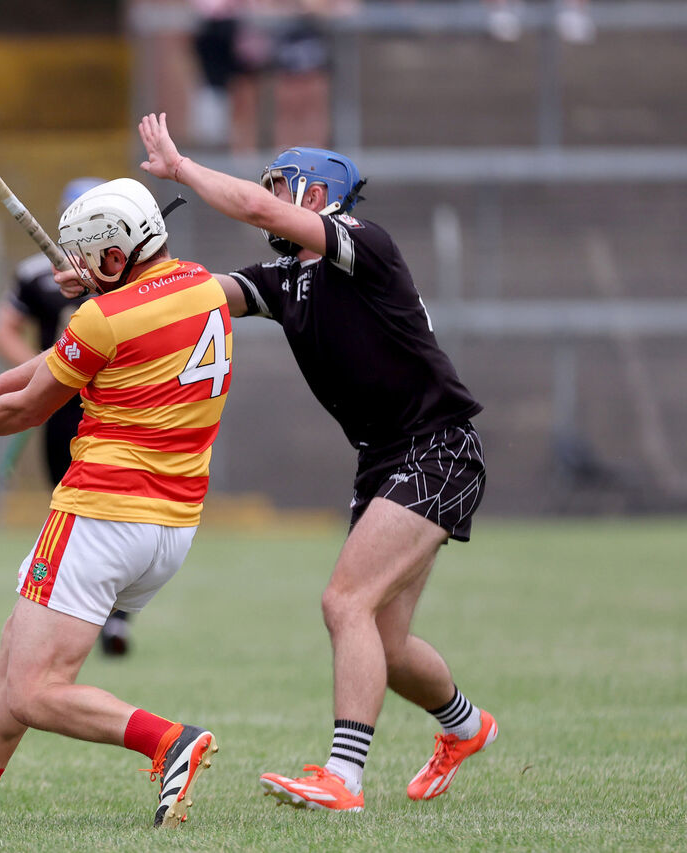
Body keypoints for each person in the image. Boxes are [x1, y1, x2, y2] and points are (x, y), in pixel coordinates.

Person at [130, 112, 494, 811]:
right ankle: (466, 726)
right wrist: (113, 277)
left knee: (344, 602)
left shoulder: (363, 244)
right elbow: (192, 296)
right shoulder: (285, 278)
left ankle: (343, 778)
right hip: (385, 458)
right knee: (384, 641)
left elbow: (258, 209)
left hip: (438, 444)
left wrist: (182, 169)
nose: (269, 197)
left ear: (317, 196)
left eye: (280, 185)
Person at [0, 178, 231, 828]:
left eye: (89, 258)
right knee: (18, 644)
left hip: (100, 515)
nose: (76, 272)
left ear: (117, 255)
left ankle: (167, 741)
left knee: (33, 690)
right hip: (172, 525)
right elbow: (61, 357)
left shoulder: (104, 318)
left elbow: (28, 408)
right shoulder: (201, 286)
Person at [0, 176, 133, 657]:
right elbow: (4, 330)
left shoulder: (125, 273)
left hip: (116, 402)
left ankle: (117, 614)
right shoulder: (37, 274)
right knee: (68, 499)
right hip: (62, 403)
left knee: (119, 501)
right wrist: (45, 373)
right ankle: (81, 607)